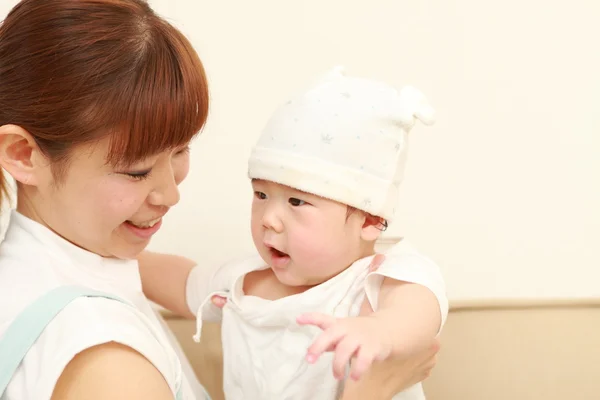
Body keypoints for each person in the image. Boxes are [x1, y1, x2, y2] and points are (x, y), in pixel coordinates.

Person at [140, 67, 448, 399]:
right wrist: (115, 258)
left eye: (297, 201)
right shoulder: (245, 281)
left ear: (369, 221)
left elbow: (417, 313)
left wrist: (380, 331)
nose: (268, 219)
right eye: (260, 195)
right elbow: (185, 282)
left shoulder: (381, 279)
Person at [0, 0, 210, 398]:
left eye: (181, 150)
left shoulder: (39, 272)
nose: (171, 194)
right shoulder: (108, 363)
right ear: (22, 154)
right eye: (136, 171)